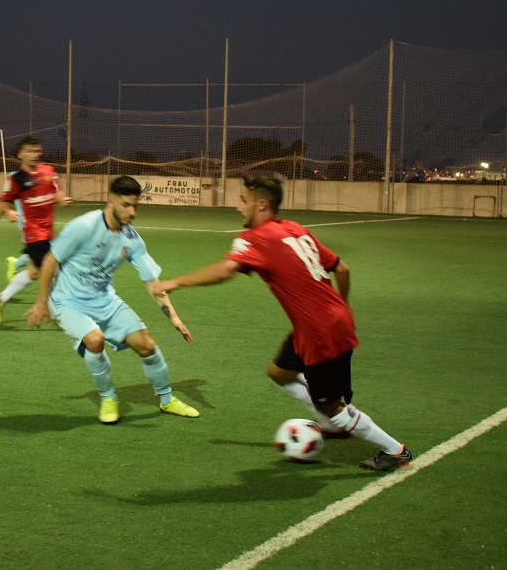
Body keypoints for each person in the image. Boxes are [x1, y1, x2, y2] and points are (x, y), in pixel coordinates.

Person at [156, 173, 410, 471]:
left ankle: (394, 450)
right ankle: (331, 421)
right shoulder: (294, 229)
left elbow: (225, 271)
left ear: (262, 205)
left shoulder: (256, 237)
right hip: (320, 325)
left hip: (321, 333)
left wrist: (174, 283)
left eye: (244, 201)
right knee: (279, 372)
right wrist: (341, 307)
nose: (239, 207)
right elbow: (342, 268)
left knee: (335, 407)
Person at [25, 175, 199, 424]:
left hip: (105, 300)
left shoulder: (132, 239)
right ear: (110, 201)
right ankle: (108, 398)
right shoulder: (85, 226)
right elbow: (51, 260)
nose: (132, 212)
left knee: (147, 346)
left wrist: (174, 317)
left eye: (135, 206)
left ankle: (167, 400)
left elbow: (152, 283)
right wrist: (41, 302)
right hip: (68, 300)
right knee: (95, 340)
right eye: (126, 205)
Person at [0, 135, 69, 323]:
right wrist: (6, 212)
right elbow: (4, 201)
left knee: (33, 272)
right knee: (54, 270)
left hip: (49, 232)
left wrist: (62, 199)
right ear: (20, 154)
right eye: (30, 151)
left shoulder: (49, 171)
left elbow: (57, 192)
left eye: (37, 151)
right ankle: (54, 313)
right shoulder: (16, 179)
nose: (34, 154)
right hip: (34, 233)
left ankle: (2, 298)